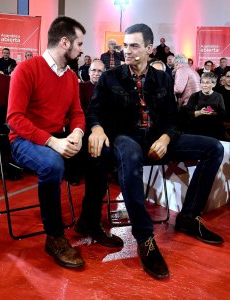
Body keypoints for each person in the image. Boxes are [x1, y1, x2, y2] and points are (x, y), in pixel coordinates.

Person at [75, 23, 224, 280]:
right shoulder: (111, 78)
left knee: (214, 148)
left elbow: (172, 119)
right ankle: (144, 237)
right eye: (125, 45)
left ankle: (188, 217)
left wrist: (166, 138)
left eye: (134, 45)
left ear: (149, 48)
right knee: (130, 155)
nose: (127, 51)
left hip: (157, 139)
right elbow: (94, 112)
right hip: (126, 137)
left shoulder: (162, 78)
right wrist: (97, 128)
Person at [7, 16, 86, 269]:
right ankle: (54, 236)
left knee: (101, 153)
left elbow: (77, 114)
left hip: (56, 137)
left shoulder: (71, 77)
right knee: (53, 165)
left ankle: (90, 221)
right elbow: (14, 119)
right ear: (65, 42)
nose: (81, 49)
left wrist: (77, 133)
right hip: (23, 141)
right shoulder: (26, 69)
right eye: (79, 43)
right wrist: (52, 141)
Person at [181, 72, 226, 140]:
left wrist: (213, 113)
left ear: (214, 84)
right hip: (196, 130)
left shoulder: (218, 96)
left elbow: (222, 114)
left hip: (213, 131)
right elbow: (187, 114)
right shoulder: (194, 96)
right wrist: (200, 112)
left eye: (207, 83)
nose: (204, 85)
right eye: (202, 82)